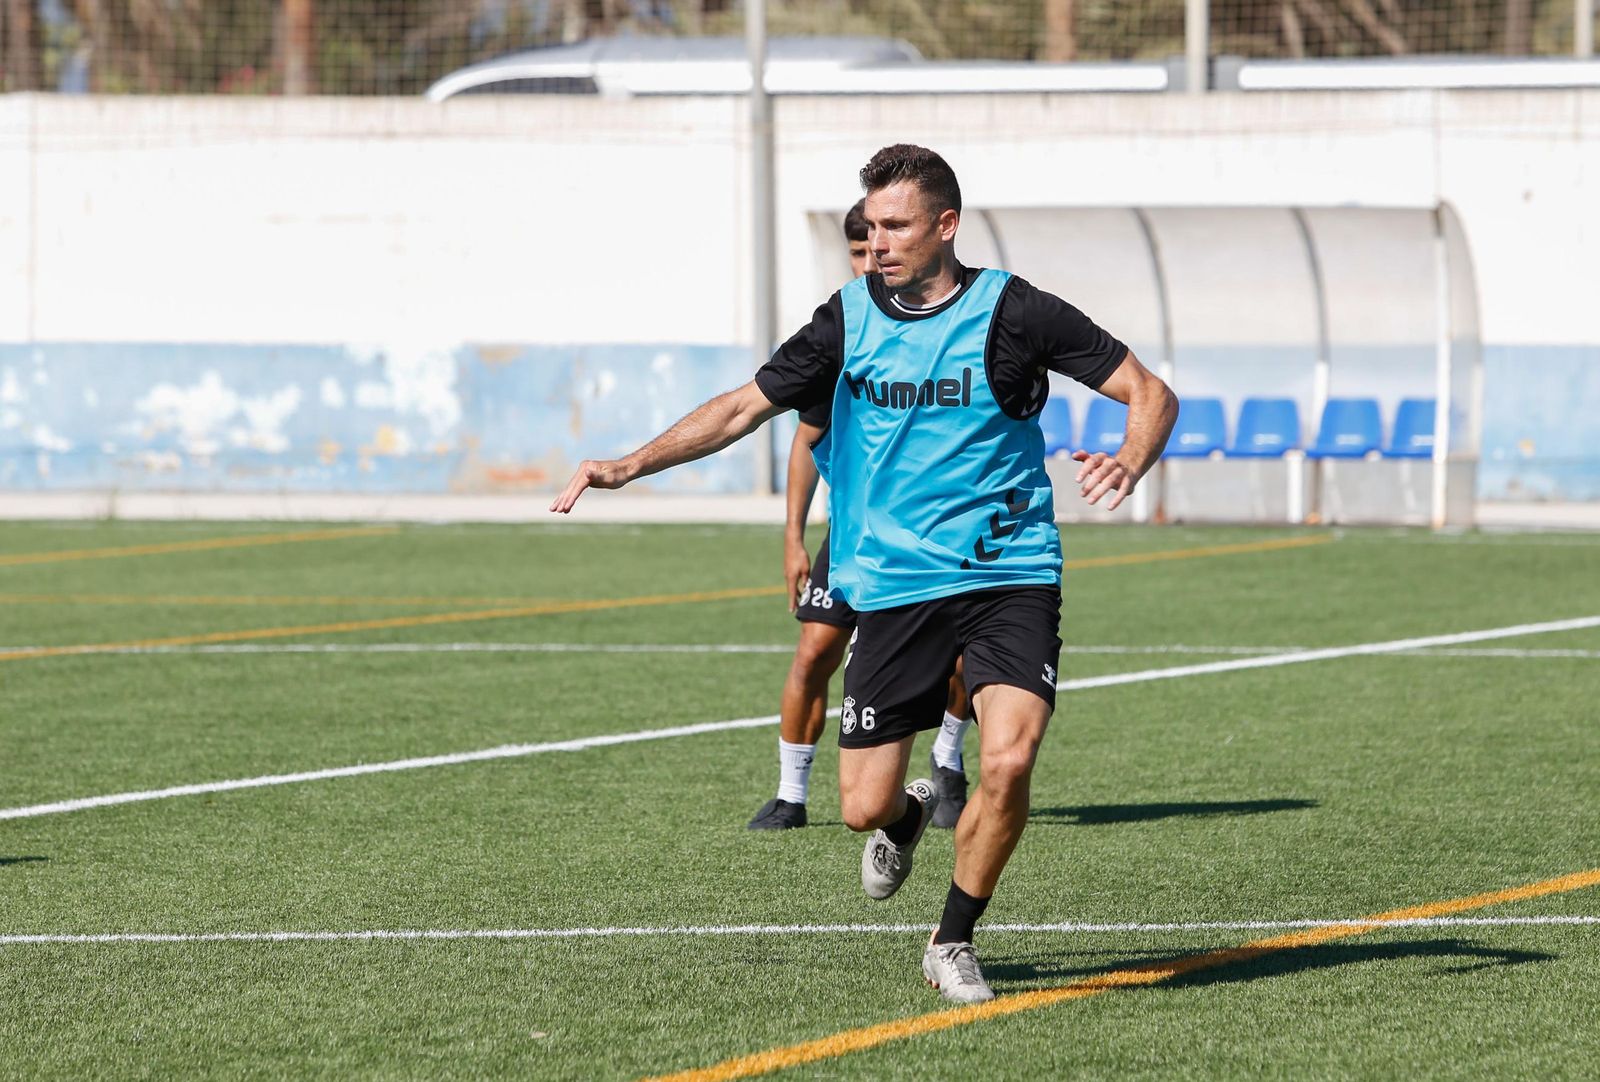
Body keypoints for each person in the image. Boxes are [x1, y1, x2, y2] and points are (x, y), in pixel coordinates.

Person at [551, 144, 1177, 1003]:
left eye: (895, 225)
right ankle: (910, 817)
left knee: (1009, 759)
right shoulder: (846, 320)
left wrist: (1131, 460)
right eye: (871, 226)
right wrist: (628, 465)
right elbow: (742, 407)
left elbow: (1150, 392)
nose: (876, 241)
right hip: (894, 587)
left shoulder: (1016, 312)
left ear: (945, 226)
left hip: (1010, 574)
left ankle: (953, 938)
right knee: (861, 805)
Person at [748, 199, 975, 832]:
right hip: (853, 537)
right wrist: (794, 537)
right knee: (814, 652)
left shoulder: (944, 324)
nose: (870, 257)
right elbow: (806, 435)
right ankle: (791, 794)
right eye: (857, 248)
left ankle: (947, 762)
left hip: (940, 539)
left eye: (881, 239)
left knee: (961, 661)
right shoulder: (838, 332)